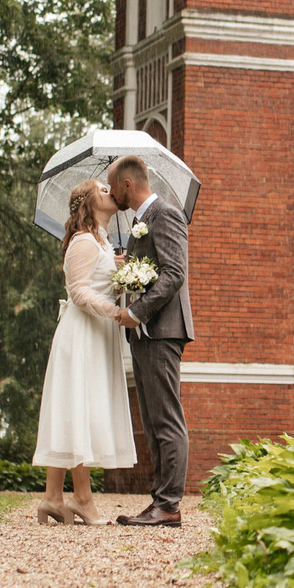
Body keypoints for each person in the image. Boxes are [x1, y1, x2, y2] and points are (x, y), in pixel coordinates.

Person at [29, 179, 135, 524]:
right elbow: (78, 293)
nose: (111, 191)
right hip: (81, 334)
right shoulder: (84, 241)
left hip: (96, 334)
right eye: (103, 190)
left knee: (74, 409)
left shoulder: (102, 243)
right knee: (79, 411)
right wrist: (115, 311)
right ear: (89, 203)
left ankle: (52, 498)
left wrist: (122, 277)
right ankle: (83, 498)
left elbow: (98, 283)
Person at [105, 153, 192, 526]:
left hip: (161, 330)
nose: (111, 195)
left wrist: (136, 312)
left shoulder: (166, 214)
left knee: (166, 418)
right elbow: (153, 270)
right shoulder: (141, 222)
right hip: (141, 335)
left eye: (113, 187)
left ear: (127, 185)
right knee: (153, 420)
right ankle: (159, 500)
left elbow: (174, 275)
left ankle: (169, 503)